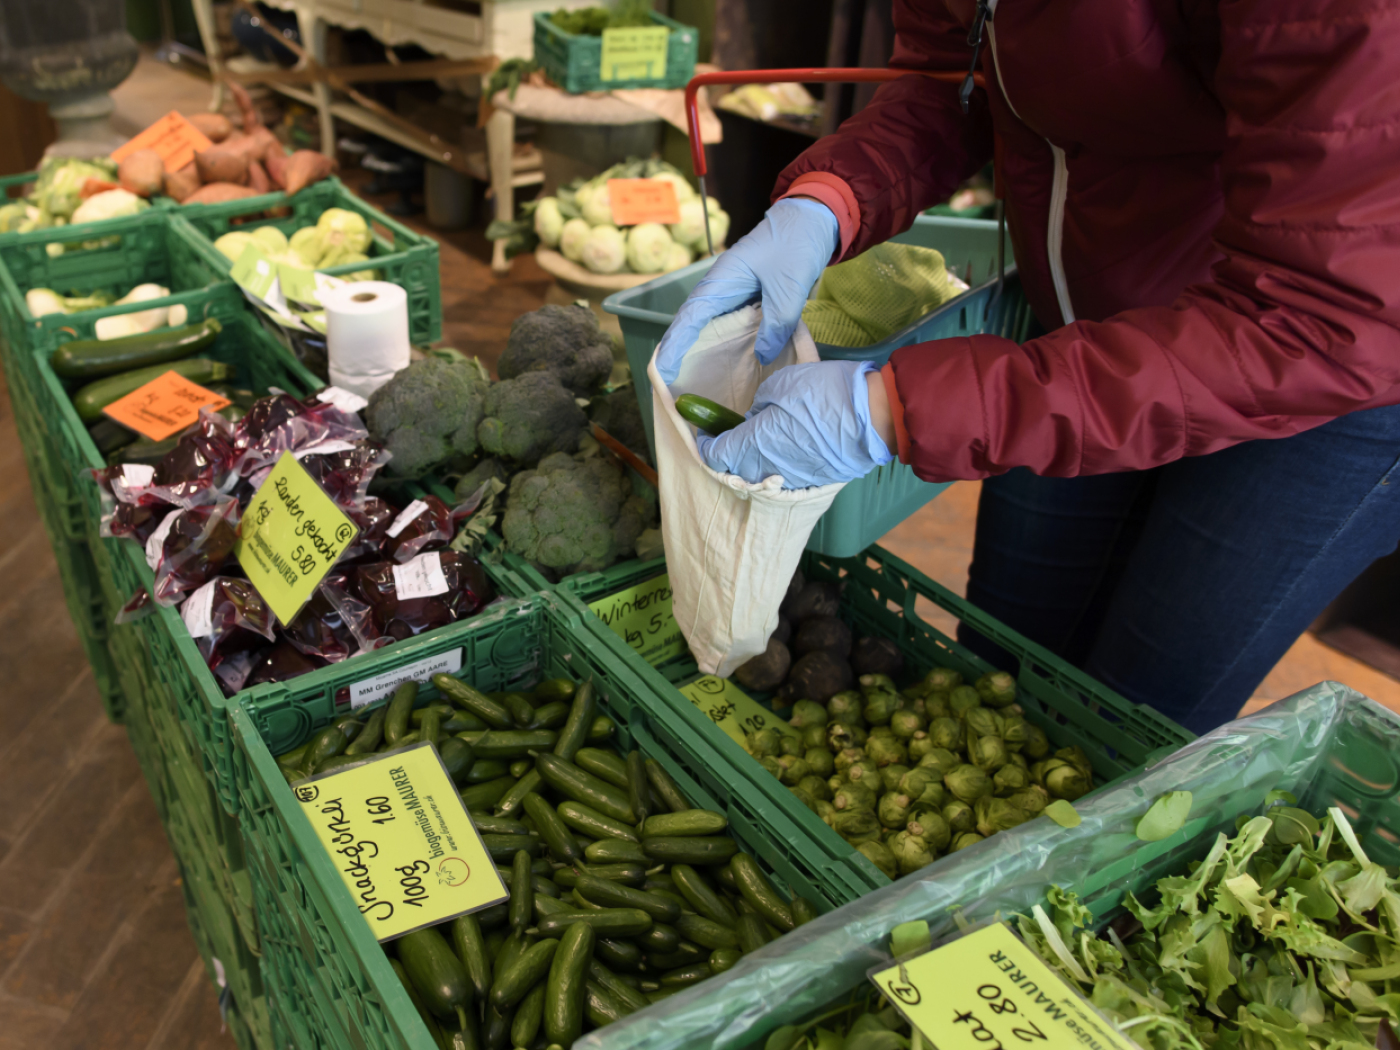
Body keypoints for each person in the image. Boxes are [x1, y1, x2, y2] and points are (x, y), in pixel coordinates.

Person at [654, 1, 1400, 736]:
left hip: (1325, 377)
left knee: (1131, 714)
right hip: (1093, 323)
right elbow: (959, 77)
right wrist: (831, 197)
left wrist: (897, 410)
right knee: (998, 663)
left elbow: (1327, 312)